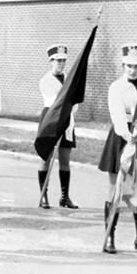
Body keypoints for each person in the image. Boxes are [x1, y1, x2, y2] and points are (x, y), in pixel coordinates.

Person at [99, 44, 137, 254]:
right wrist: (128, 135)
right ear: (123, 65)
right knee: (115, 187)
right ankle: (110, 237)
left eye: (136, 66)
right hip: (121, 138)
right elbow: (117, 114)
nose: (132, 70)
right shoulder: (116, 87)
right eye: (128, 66)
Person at [37, 44, 79, 209]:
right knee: (45, 158)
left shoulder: (70, 78)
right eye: (57, 61)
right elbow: (55, 100)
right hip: (50, 119)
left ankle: (64, 196)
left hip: (67, 120)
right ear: (51, 61)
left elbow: (75, 102)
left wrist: (70, 109)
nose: (61, 64)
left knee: (65, 160)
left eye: (63, 61)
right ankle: (44, 196)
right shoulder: (45, 81)